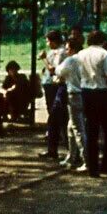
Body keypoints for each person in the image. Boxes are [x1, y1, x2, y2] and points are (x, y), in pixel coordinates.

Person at [76, 29, 107, 178]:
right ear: (102, 41)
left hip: (87, 92)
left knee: (91, 131)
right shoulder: (104, 54)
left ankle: (92, 168)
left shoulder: (81, 54)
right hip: (103, 93)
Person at [55, 37, 87, 172]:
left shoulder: (71, 59)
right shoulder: (84, 59)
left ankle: (87, 159)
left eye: (68, 49)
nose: (66, 51)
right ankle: (71, 156)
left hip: (74, 95)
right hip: (84, 93)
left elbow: (58, 71)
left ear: (73, 49)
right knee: (70, 128)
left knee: (78, 128)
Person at [39, 30, 68, 161]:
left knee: (57, 117)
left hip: (55, 86)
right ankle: (53, 148)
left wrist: (44, 59)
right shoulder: (54, 52)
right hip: (49, 85)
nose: (47, 43)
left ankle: (59, 148)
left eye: (48, 41)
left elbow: (53, 70)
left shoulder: (61, 53)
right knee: (54, 116)